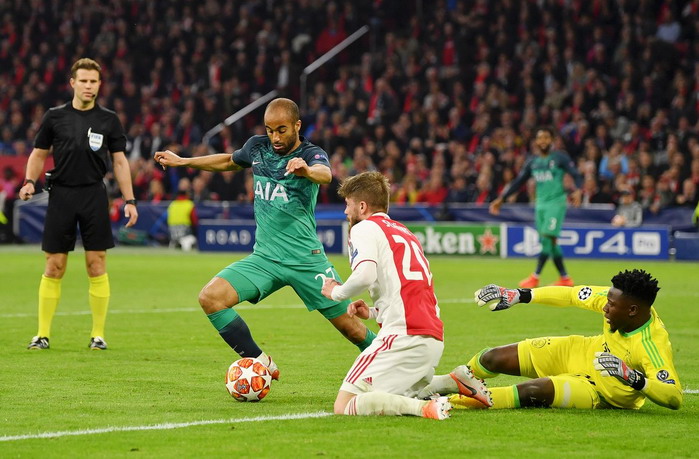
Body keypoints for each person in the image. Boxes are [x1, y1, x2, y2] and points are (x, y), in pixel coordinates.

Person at [154, 98, 376, 379]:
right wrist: (183, 161)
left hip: (305, 261)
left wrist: (306, 170)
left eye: (282, 130)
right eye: (270, 130)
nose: (275, 137)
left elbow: (325, 175)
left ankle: (401, 369)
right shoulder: (257, 147)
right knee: (210, 298)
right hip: (265, 259)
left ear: (297, 126)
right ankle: (261, 363)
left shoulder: (311, 154)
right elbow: (228, 161)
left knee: (352, 329)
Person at [320, 171, 491, 420]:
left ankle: (425, 409)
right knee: (393, 394)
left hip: (403, 339)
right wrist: (374, 312)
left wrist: (336, 292)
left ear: (362, 206)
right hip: (432, 339)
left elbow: (365, 275)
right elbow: (412, 289)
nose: (346, 212)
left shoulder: (364, 228)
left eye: (348, 205)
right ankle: (451, 381)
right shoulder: (404, 232)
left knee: (345, 404)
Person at [421, 269, 682, 411]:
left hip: (600, 392)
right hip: (582, 351)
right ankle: (443, 383)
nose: (605, 307)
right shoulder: (613, 299)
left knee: (534, 391)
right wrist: (520, 295)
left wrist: (633, 378)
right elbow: (570, 295)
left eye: (611, 305)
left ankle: (443, 404)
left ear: (633, 310)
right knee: (493, 357)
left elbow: (673, 397)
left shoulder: (652, 343)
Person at [18, 58, 139, 350]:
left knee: (96, 264)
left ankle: (98, 335)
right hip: (61, 194)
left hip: (94, 195)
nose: (88, 86)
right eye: (83, 80)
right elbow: (38, 153)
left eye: (93, 81)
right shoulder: (54, 117)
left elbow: (119, 161)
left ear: (99, 84)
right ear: (72, 83)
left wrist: (130, 200)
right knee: (54, 265)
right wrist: (29, 181)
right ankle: (42, 334)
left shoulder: (109, 119)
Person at [490, 127, 583, 288]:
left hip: (556, 203)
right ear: (536, 141)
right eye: (540, 138)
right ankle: (565, 278)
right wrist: (502, 198)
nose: (543, 141)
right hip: (540, 205)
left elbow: (575, 174)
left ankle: (535, 277)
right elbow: (519, 182)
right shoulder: (532, 162)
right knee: (550, 242)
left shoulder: (560, 157)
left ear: (552, 140)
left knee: (547, 238)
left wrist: (579, 190)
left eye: (546, 137)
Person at [167, 177, 198, 251]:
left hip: (172, 237)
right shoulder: (189, 204)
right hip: (186, 237)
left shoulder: (172, 204)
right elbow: (195, 222)